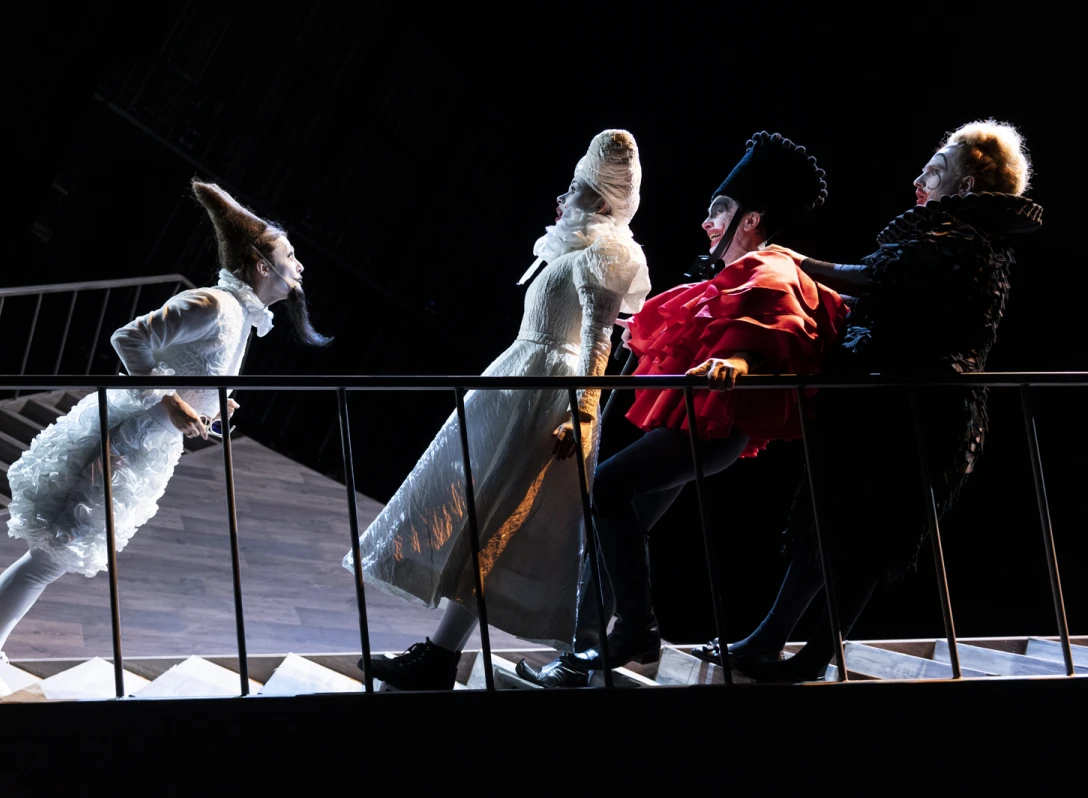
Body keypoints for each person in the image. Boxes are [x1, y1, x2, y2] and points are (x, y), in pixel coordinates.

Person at [0, 180, 331, 701]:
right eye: (290, 255)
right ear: (262, 266)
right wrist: (169, 398)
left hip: (147, 449)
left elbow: (190, 368)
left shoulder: (241, 317)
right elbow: (128, 338)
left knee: (48, 561)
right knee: (47, 560)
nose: (298, 265)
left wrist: (210, 404)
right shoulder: (213, 304)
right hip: (122, 440)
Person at [693, 120, 1042, 682]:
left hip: (920, 414)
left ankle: (811, 656)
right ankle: (769, 640)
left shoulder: (967, 242)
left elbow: (876, 278)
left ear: (967, 186)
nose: (919, 181)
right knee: (824, 524)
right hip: (882, 405)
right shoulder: (946, 236)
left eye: (935, 171)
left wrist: (799, 263)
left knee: (871, 539)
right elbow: (882, 298)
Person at [518, 132, 848, 687]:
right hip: (697, 424)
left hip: (712, 429)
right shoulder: (736, 273)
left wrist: (738, 361)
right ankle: (583, 654)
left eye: (720, 211)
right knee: (618, 522)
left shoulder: (768, 267)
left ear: (750, 219)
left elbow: (774, 324)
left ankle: (636, 630)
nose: (707, 222)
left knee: (609, 490)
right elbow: (703, 327)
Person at [344, 130, 651, 690]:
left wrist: (582, 412)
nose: (564, 197)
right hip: (517, 385)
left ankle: (440, 658)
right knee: (475, 514)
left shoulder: (609, 252)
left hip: (549, 395)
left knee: (499, 524)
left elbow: (598, 339)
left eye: (577, 188)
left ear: (603, 199)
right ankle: (440, 656)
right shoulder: (571, 248)